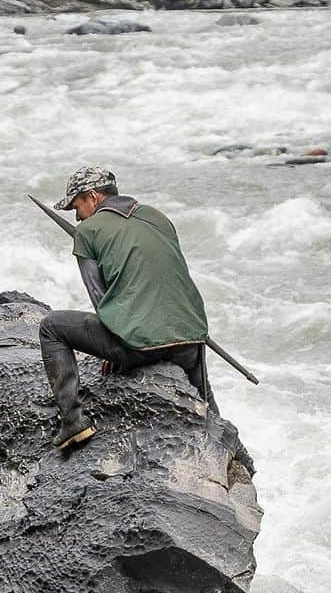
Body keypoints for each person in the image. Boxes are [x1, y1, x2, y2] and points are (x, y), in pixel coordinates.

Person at [40, 165, 212, 450]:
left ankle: (72, 423)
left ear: (93, 197)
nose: (76, 215)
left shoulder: (88, 231)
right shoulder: (158, 217)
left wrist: (116, 345)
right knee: (207, 408)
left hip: (139, 347)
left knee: (51, 327)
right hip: (191, 340)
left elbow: (100, 298)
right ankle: (220, 435)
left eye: (76, 205)